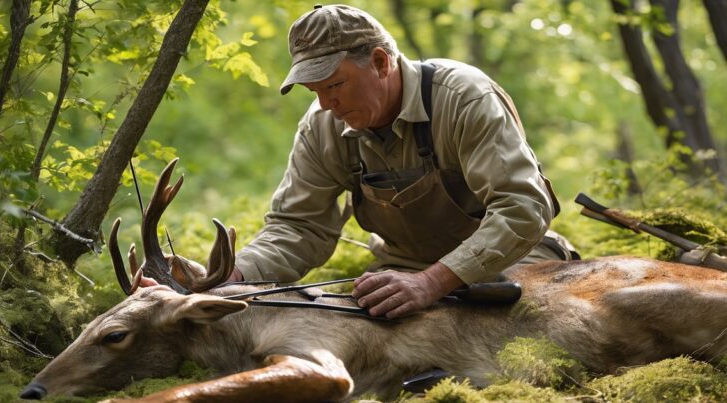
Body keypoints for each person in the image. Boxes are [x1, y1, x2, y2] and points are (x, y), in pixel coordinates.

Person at [229, 4, 577, 318]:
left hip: (509, 261)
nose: (325, 104)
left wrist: (432, 283)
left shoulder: (463, 98)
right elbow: (299, 226)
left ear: (380, 62)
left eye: (334, 84)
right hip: (402, 269)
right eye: (314, 91)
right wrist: (236, 273)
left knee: (513, 319)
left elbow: (522, 207)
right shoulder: (323, 126)